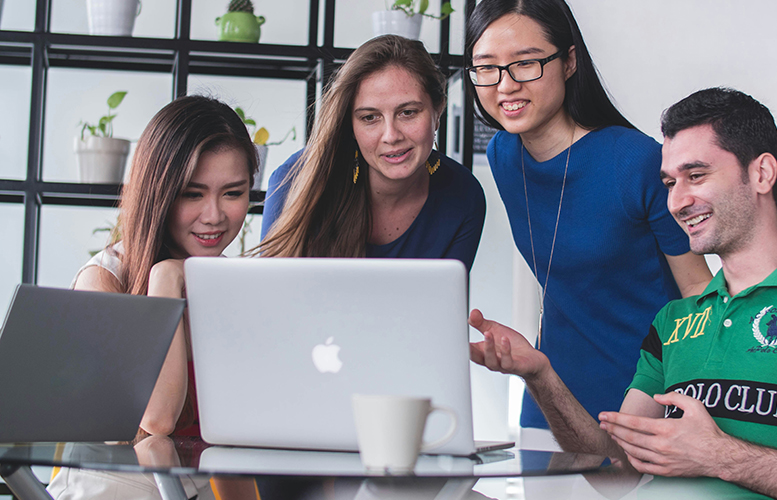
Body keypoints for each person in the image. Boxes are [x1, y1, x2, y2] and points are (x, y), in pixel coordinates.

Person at [470, 87, 777, 498]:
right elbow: (616, 473)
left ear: (761, 173)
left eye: (696, 175)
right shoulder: (672, 320)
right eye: (670, 183)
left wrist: (720, 456)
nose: (677, 201)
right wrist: (540, 375)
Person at [464, 0, 712, 439]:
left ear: (569, 61)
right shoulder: (504, 155)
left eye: (525, 64)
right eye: (487, 67)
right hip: (550, 402)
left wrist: (683, 403)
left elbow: (698, 293)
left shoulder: (634, 161)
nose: (505, 85)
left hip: (646, 403)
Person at [70, 95, 257, 437]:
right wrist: (165, 279)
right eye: (192, 194)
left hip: (194, 486)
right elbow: (157, 419)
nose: (214, 216)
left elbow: (239, 433)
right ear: (159, 193)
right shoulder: (102, 279)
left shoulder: (232, 285)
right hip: (116, 489)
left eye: (232, 193)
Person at [258, 35, 486, 270]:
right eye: (370, 117)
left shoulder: (464, 196)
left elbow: (444, 303)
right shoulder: (295, 180)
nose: (391, 135)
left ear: (437, 110)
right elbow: (270, 297)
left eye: (407, 112)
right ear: (351, 126)